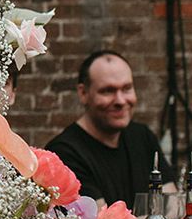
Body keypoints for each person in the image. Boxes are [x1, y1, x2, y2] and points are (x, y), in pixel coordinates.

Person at [45, 49, 176, 209]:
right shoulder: (64, 153)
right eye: (108, 91)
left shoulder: (142, 137)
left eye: (126, 88)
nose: (120, 100)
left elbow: (174, 206)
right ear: (83, 93)